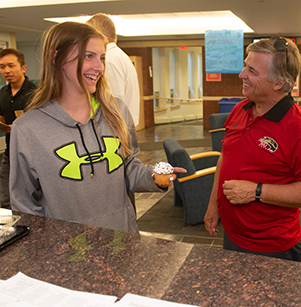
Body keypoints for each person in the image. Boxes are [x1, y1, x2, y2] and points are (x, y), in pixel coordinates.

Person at [9, 22, 185, 233]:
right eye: (88, 56)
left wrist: (153, 177)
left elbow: (128, 167)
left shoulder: (117, 110)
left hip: (122, 238)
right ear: (56, 58)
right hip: (66, 252)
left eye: (102, 58)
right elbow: (24, 205)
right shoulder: (28, 129)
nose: (99, 67)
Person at [204, 38, 301, 262]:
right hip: (232, 234)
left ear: (278, 82)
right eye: (245, 65)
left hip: (272, 246)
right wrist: (214, 204)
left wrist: (256, 191)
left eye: (252, 70)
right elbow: (226, 158)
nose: (242, 74)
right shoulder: (239, 110)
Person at [86, 13, 141, 127]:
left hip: (116, 130)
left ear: (97, 32)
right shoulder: (120, 56)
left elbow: (114, 101)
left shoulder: (109, 59)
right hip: (124, 128)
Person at [0, 49, 37, 209]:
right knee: (6, 198)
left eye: (11, 66)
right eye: (2, 67)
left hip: (33, 155)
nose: (6, 71)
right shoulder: (3, 93)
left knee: (31, 199)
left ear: (23, 68)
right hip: (10, 153)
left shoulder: (35, 93)